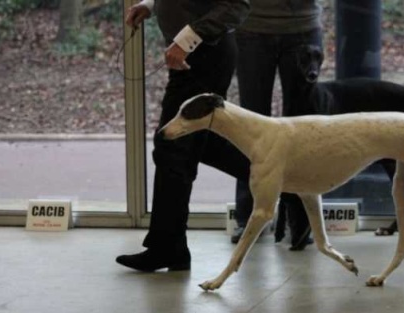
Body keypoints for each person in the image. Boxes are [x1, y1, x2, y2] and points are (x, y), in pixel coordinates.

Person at [116, 0, 251, 272]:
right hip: (197, 56)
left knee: (172, 148)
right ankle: (280, 175)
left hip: (205, 57)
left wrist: (187, 39)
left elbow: (236, 5)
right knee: (197, 147)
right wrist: (152, 5)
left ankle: (167, 248)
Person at [231, 0, 323, 250]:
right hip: (251, 28)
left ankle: (301, 222)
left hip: (302, 28)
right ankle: (248, 216)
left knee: (303, 128)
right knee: (252, 127)